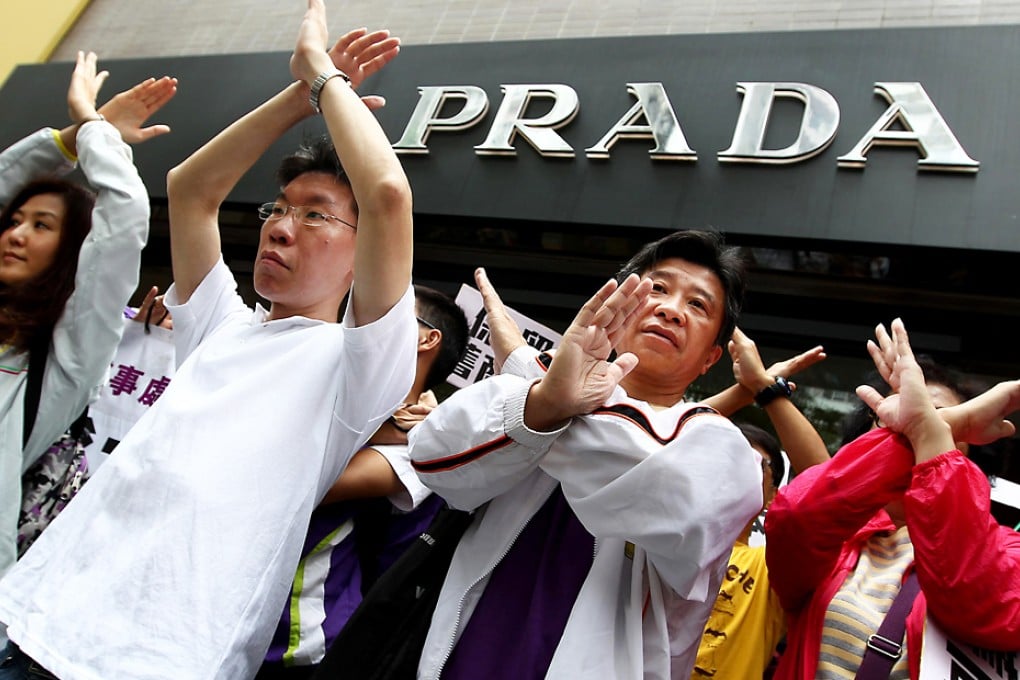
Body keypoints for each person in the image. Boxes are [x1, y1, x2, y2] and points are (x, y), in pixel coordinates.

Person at [0, 1, 417, 677]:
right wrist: (295, 96)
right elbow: (190, 189)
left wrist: (321, 75)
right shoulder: (224, 324)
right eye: (279, 209)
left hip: (160, 661)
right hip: (34, 620)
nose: (282, 228)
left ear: (363, 248)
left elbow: (387, 196)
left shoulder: (357, 365)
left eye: (317, 216)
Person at [408, 232, 765, 678]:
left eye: (698, 305)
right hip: (461, 657)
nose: (671, 309)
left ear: (711, 358)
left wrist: (535, 385)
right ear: (615, 303)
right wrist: (545, 395)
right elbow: (431, 457)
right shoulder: (541, 386)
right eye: (657, 288)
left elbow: (662, 494)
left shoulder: (725, 452)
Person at [0, 52, 175, 578]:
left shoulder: (63, 359)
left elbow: (123, 217)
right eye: (13, 220)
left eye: (41, 225)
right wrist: (67, 138)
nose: (15, 233)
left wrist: (95, 127)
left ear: (73, 250)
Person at [765, 319, 1020, 679]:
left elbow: (971, 595)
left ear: (965, 451)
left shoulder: (1007, 549)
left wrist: (928, 430)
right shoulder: (839, 542)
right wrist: (928, 429)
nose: (914, 427)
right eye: (893, 423)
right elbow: (792, 521)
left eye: (942, 421)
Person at [258, 285, 468, 679]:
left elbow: (295, 484)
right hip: (243, 620)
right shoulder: (356, 413)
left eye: (389, 312)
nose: (360, 321)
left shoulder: (419, 447)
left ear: (428, 338)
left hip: (298, 647)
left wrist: (392, 431)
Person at [692, 328, 831, 679]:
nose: (735, 464)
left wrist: (766, 391)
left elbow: (830, 488)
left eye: (755, 462)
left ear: (771, 497)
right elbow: (664, 436)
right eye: (725, 452)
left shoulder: (771, 567)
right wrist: (744, 390)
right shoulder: (650, 536)